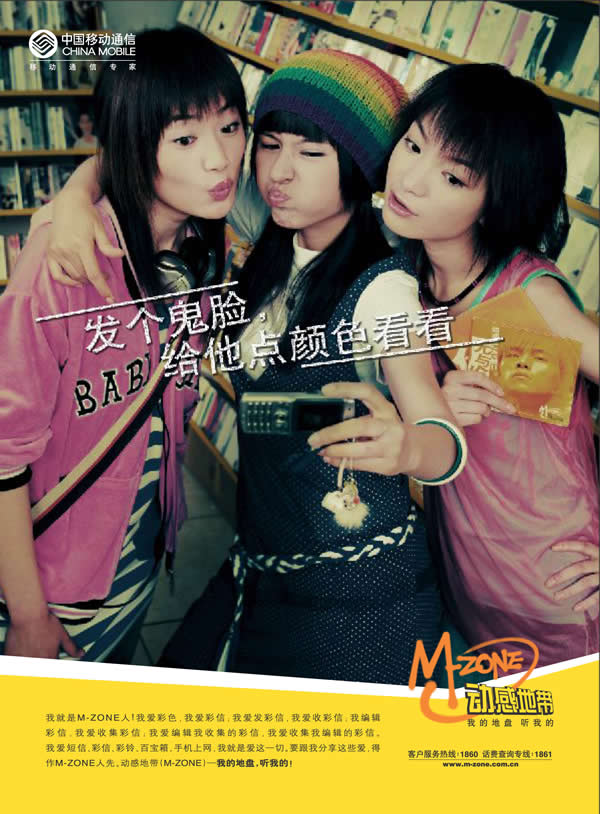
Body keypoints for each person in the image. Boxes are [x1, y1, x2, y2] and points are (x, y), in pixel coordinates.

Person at [42, 51, 468, 684]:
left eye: (311, 153)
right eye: (268, 145)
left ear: (359, 169)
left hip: (356, 590)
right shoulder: (268, 226)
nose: (280, 172)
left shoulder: (383, 292)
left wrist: (410, 447)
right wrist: (76, 198)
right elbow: (152, 155)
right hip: (263, 566)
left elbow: (442, 438)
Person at [312, 63, 599, 668]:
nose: (410, 181)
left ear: (497, 200)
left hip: (557, 601)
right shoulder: (402, 277)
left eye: (452, 176)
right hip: (463, 588)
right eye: (413, 145)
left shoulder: (530, 296)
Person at [0, 27, 247, 662]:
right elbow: (3, 455)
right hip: (57, 590)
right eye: (186, 138)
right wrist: (27, 615)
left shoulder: (198, 243)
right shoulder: (61, 267)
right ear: (137, 145)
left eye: (230, 127)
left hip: (138, 558)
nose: (220, 160)